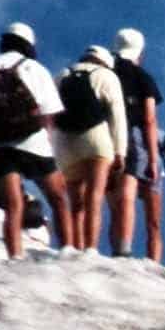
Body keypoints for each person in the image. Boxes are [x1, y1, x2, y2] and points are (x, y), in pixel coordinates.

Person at [0, 23, 73, 257]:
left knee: (13, 205)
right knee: (58, 198)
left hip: (0, 147)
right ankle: (68, 251)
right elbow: (50, 112)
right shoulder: (35, 68)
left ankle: (14, 255)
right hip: (34, 144)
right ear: (29, 45)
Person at [52, 45, 128, 251]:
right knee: (94, 196)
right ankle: (90, 248)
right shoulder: (106, 75)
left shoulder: (62, 74)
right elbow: (117, 116)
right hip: (96, 137)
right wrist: (120, 152)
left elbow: (49, 112)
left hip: (64, 142)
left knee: (75, 203)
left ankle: (74, 248)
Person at [107, 28, 163, 258]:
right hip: (130, 136)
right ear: (139, 52)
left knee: (111, 198)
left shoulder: (106, 70)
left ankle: (111, 246)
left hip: (102, 135)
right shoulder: (143, 77)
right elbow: (149, 119)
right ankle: (123, 249)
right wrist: (153, 159)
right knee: (127, 191)